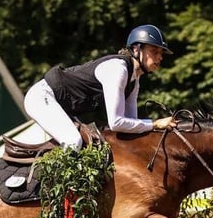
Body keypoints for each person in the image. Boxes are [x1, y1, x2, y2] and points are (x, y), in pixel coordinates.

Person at [23, 24, 178, 151]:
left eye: (161, 53)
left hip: (61, 105)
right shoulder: (118, 70)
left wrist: (153, 129)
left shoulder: (134, 80)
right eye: (154, 51)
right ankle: (49, 189)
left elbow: (131, 123)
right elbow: (116, 123)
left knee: (90, 146)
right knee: (73, 141)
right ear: (136, 49)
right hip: (42, 97)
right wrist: (155, 123)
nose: (160, 57)